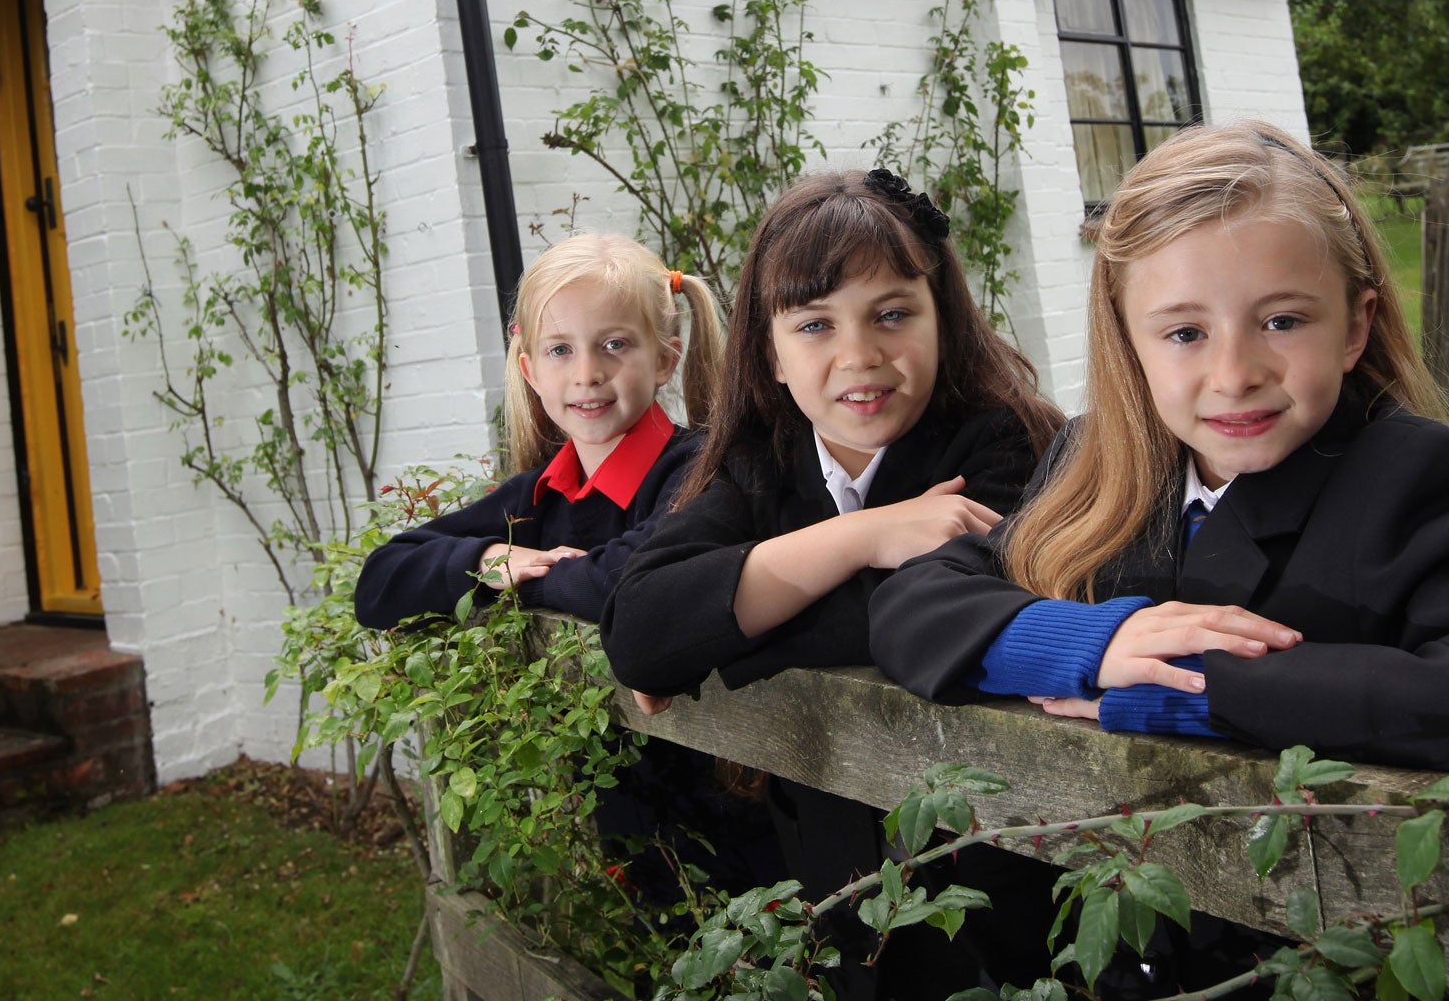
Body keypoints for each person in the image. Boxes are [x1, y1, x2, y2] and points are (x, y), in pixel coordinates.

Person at [870, 122, 1449, 794]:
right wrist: (1098, 643)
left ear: (1355, 326)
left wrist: (1194, 685)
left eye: (1281, 321)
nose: (1234, 374)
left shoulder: (1406, 472)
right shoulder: (1098, 457)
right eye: (1185, 333)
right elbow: (915, 604)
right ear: (1131, 344)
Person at [599, 168, 1064, 998]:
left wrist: (728, 629)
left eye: (892, 313)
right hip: (840, 905)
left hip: (1001, 912)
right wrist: (859, 537)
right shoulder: (758, 469)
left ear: (943, 322)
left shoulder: (1006, 449)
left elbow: (923, 622)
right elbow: (639, 630)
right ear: (769, 353)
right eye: (815, 324)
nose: (860, 355)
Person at [356, 233, 722, 629]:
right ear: (531, 372)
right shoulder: (536, 497)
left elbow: (633, 580)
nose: (587, 375)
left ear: (665, 361)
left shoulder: (702, 470)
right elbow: (378, 584)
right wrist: (492, 560)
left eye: (614, 344)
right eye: (560, 351)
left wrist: (522, 584)